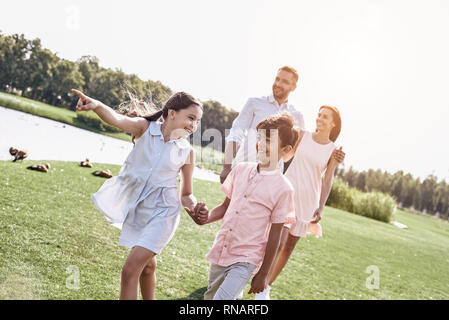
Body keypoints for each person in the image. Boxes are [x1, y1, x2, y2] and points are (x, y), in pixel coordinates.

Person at [71, 89, 208, 300]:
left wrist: (194, 207)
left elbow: (187, 194)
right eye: (190, 118)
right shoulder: (144, 128)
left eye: (197, 121)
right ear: (172, 113)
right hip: (138, 210)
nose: (193, 125)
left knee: (130, 269)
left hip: (164, 214)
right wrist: (97, 105)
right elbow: (118, 120)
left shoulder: (187, 152)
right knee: (146, 268)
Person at [201, 113, 299, 300]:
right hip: (222, 249)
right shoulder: (240, 170)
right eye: (260, 138)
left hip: (246, 259)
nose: (261, 144)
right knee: (210, 298)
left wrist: (263, 273)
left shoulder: (284, 189)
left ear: (285, 150)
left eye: (268, 140)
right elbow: (225, 207)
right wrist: (206, 217)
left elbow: (276, 237)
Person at [255, 105, 343, 300]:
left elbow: (327, 180)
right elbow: (285, 156)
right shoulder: (302, 135)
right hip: (287, 193)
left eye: (325, 116)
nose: (319, 118)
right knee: (274, 241)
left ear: (333, 123)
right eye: (319, 114)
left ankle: (266, 287)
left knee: (288, 246)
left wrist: (320, 206)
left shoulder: (333, 150)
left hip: (308, 201)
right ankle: (255, 275)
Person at [220, 66, 345, 183]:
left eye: (284, 81)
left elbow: (305, 146)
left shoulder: (297, 116)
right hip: (243, 170)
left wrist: (332, 156)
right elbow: (236, 133)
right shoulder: (254, 103)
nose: (278, 84)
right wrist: (227, 166)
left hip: (270, 179)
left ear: (293, 87)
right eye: (277, 79)